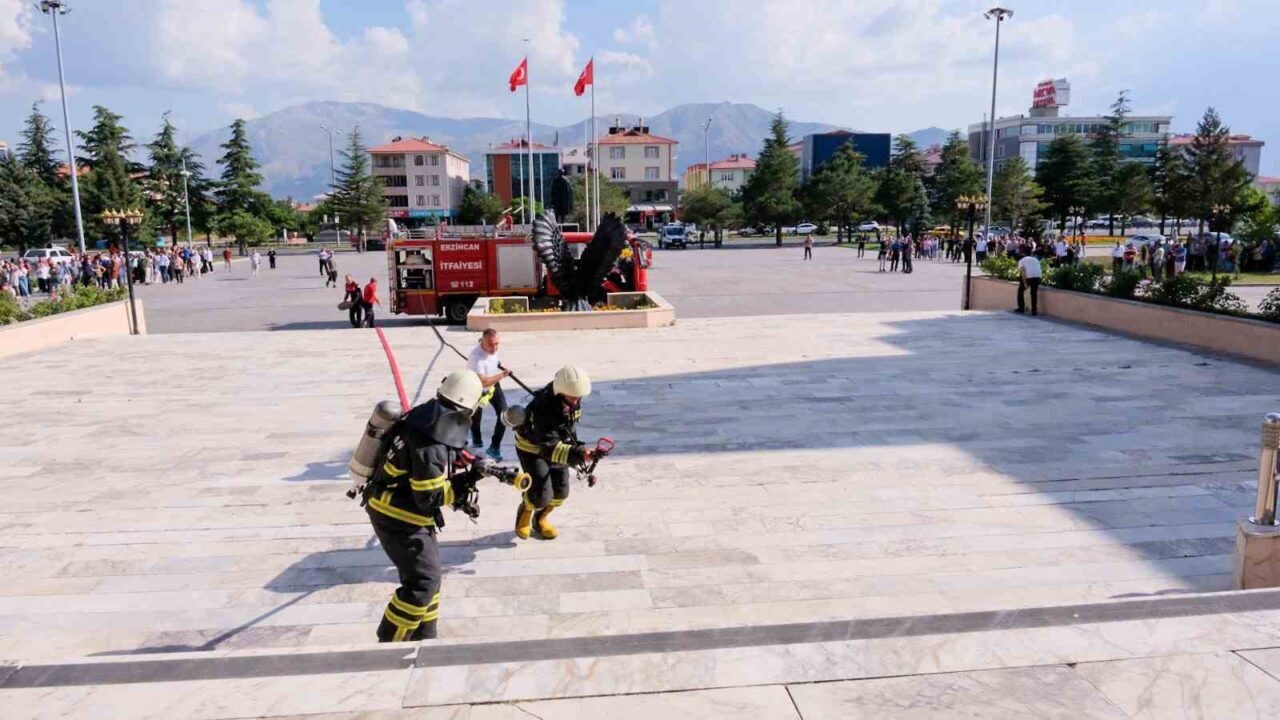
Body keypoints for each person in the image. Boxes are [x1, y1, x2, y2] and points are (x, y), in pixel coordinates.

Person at [363, 370, 483, 642]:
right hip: (398, 517)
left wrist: (461, 463)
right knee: (422, 583)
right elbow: (429, 497)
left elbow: (424, 459)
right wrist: (465, 484)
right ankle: (390, 641)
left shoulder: (424, 416)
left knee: (430, 578)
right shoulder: (430, 447)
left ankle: (425, 635)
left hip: (397, 508)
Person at [513, 365, 595, 541]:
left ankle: (540, 519)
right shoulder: (542, 409)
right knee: (541, 493)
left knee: (560, 492)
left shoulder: (571, 397)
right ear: (560, 392)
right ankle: (526, 510)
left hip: (557, 446)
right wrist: (579, 453)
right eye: (573, 397)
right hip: (533, 449)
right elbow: (549, 448)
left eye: (578, 397)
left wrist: (578, 448)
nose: (576, 401)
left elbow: (569, 427)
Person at [468, 329, 512, 461]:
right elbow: (484, 381)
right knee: (476, 419)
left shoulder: (494, 349)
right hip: (477, 389)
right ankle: (477, 441)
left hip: (493, 387)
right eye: (491, 344)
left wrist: (498, 366)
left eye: (497, 344)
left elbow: (493, 361)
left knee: (504, 415)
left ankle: (494, 447)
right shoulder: (476, 357)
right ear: (482, 342)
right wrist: (503, 374)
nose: (495, 348)